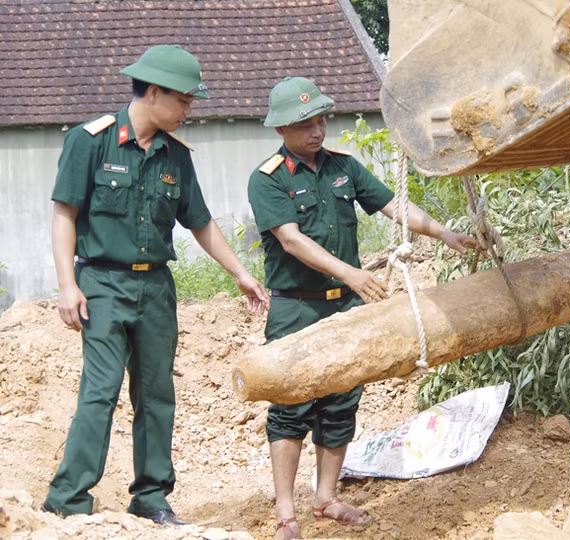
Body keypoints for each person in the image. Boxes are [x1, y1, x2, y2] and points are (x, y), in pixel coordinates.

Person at [43, 44, 270, 525]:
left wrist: (241, 273)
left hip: (156, 291)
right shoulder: (91, 141)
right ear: (153, 92)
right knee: (100, 390)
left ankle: (150, 497)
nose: (189, 110)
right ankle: (68, 498)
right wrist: (68, 284)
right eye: (184, 101)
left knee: (156, 392)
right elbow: (64, 212)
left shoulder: (175, 155)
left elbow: (201, 223)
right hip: (102, 283)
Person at [247, 76, 480, 540]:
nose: (316, 131)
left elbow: (396, 206)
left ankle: (326, 497)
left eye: (320, 121)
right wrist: (352, 273)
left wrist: (445, 233)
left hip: (346, 308)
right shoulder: (268, 179)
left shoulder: (344, 168)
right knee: (292, 407)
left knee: (340, 403)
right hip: (296, 308)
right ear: (281, 130)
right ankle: (286, 513)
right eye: (304, 124)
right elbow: (292, 241)